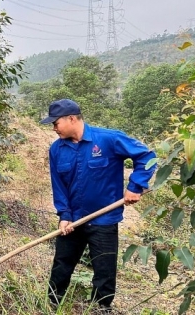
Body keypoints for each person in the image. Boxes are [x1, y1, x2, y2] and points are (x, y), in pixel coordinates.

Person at [40, 99, 156, 311]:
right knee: (61, 265)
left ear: (71, 119)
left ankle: (100, 309)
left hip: (104, 220)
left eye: (55, 123)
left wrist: (136, 186)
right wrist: (64, 215)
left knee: (104, 271)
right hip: (73, 220)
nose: (53, 128)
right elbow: (58, 186)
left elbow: (147, 156)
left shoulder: (108, 139)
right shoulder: (56, 149)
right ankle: (52, 305)